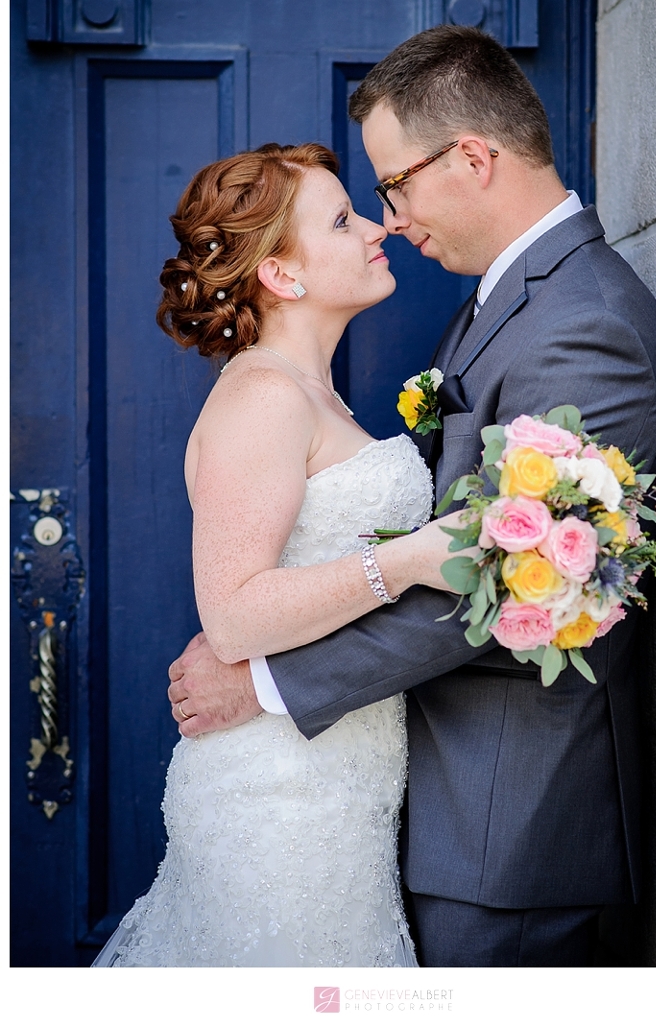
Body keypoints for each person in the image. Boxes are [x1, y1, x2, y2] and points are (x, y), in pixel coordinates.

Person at [169, 26, 656, 967]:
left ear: (475, 157)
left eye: (393, 185)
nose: (389, 219)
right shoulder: (492, 309)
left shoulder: (586, 328)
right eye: (358, 210)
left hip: (511, 820)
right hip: (432, 809)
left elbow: (513, 580)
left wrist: (269, 684)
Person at [93, 141, 466, 967]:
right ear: (283, 277)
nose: (376, 228)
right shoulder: (263, 395)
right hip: (277, 801)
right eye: (342, 219)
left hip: (336, 784)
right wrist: (402, 562)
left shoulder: (312, 392)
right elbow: (230, 617)